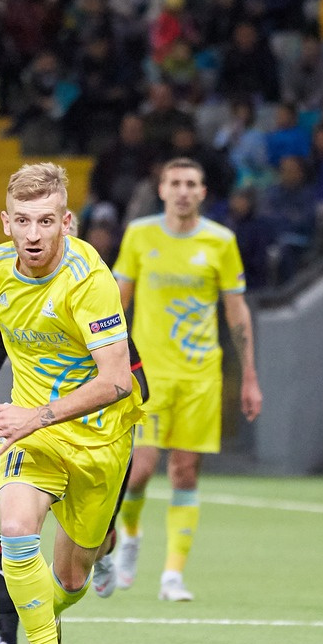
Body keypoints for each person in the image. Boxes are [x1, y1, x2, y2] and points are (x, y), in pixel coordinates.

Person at [0, 162, 143, 644]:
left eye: (47, 221)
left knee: (73, 577)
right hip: (30, 433)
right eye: (24, 221)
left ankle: (46, 620)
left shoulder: (91, 281)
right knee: (14, 528)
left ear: (67, 222)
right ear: (6, 222)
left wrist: (33, 417)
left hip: (99, 441)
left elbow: (117, 381)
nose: (34, 235)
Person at [110, 157, 263, 601]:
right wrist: (106, 360)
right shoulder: (140, 235)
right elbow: (117, 302)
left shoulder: (221, 241)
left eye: (191, 184)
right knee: (138, 471)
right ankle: (130, 535)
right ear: (161, 189)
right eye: (174, 182)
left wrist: (249, 375)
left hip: (200, 376)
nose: (182, 190)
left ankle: (172, 575)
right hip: (148, 375)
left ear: (202, 192)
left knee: (184, 471)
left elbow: (237, 311)